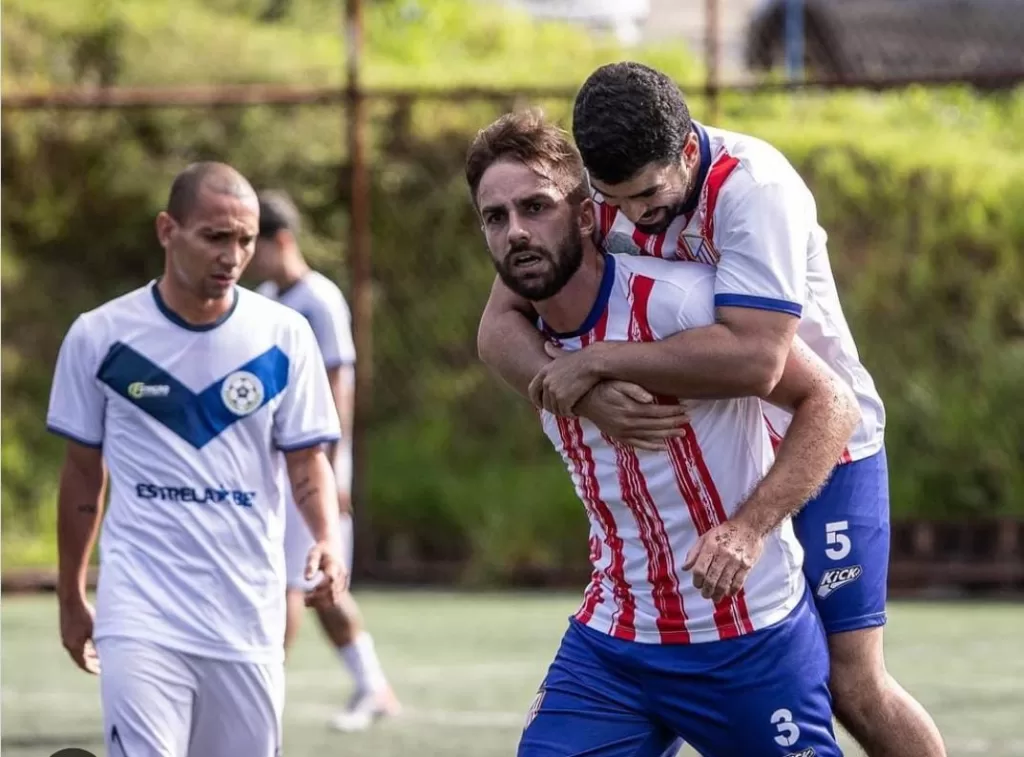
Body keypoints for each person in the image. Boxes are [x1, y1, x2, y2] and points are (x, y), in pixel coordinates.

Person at [477, 64, 946, 757]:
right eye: (616, 201)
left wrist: (602, 361)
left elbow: (757, 359)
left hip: (821, 437)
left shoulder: (757, 189)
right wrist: (571, 385)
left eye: (649, 195)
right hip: (718, 435)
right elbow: (498, 324)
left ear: (687, 153)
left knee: (854, 683)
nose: (633, 216)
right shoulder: (597, 194)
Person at [47, 162, 347, 757]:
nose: (232, 255)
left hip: (247, 614)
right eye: (215, 236)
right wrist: (70, 594)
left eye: (245, 239)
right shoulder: (100, 336)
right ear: (167, 230)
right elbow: (83, 475)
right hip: (140, 609)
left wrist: (327, 538)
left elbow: (306, 459)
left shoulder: (285, 337)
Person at [250, 189, 401, 732]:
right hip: (277, 466)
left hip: (312, 465)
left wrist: (332, 469)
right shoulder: (267, 297)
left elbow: (339, 386)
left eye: (253, 244)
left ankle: (257, 693)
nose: (245, 258)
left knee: (292, 584)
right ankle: (373, 687)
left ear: (281, 240)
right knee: (315, 588)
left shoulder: (320, 299)